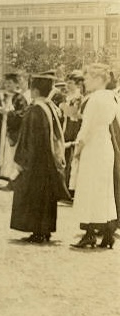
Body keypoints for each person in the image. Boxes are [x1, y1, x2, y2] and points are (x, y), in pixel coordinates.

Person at [10, 75, 71, 243]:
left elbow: (29, 139)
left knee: (34, 196)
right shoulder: (50, 107)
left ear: (34, 90)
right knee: (46, 197)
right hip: (49, 160)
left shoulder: (35, 109)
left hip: (35, 162)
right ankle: (45, 230)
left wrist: (23, 162)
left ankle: (37, 231)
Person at [71, 64, 120, 249]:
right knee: (105, 191)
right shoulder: (113, 97)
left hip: (93, 147)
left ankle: (89, 233)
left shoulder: (94, 99)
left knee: (89, 189)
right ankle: (108, 233)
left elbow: (86, 129)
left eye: (89, 78)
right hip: (106, 146)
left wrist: (78, 149)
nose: (86, 82)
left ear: (100, 80)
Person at [0, 73, 28, 186]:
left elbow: (23, 114)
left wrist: (9, 113)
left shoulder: (20, 98)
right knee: (0, 151)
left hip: (12, 130)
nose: (7, 85)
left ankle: (10, 177)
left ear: (16, 84)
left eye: (10, 83)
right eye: (6, 83)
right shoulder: (2, 97)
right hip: (1, 129)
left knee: (10, 153)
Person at [61, 71, 84, 194]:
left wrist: (63, 107)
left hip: (74, 128)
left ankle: (70, 189)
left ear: (77, 85)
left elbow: (74, 114)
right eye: (67, 83)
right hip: (66, 127)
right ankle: (63, 186)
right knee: (64, 156)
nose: (67, 85)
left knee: (71, 156)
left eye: (70, 83)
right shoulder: (67, 97)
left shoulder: (78, 98)